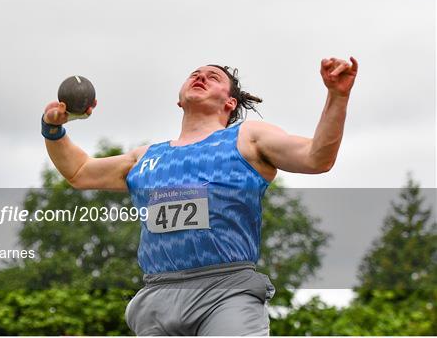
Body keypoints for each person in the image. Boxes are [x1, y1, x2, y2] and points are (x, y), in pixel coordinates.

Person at [41, 57, 359, 335]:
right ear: (180, 99)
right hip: (157, 297)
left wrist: (337, 96)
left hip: (226, 291)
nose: (201, 76)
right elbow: (79, 171)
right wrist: (53, 129)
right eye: (195, 73)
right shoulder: (147, 156)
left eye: (214, 76)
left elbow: (317, 157)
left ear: (230, 102)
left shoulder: (248, 138)